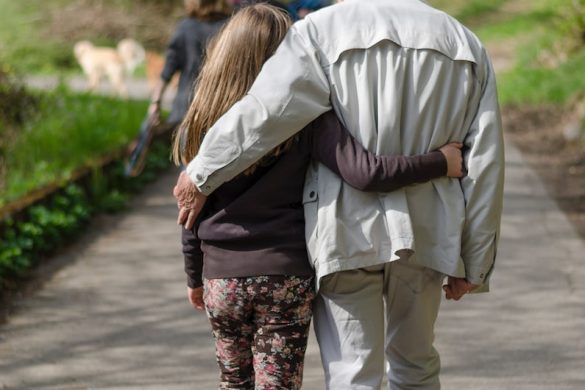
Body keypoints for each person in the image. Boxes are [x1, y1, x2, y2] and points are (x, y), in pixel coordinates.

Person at [174, 0, 505, 388]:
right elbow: (485, 159)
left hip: (346, 228)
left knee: (353, 373)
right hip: (428, 226)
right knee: (416, 366)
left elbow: (266, 111)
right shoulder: (463, 42)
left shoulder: (317, 32)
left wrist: (201, 172)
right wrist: (476, 261)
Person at [148, 0, 232, 128]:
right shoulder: (232, 26)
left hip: (186, 107)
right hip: (222, 108)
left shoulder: (186, 27)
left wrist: (156, 102)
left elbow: (168, 69)